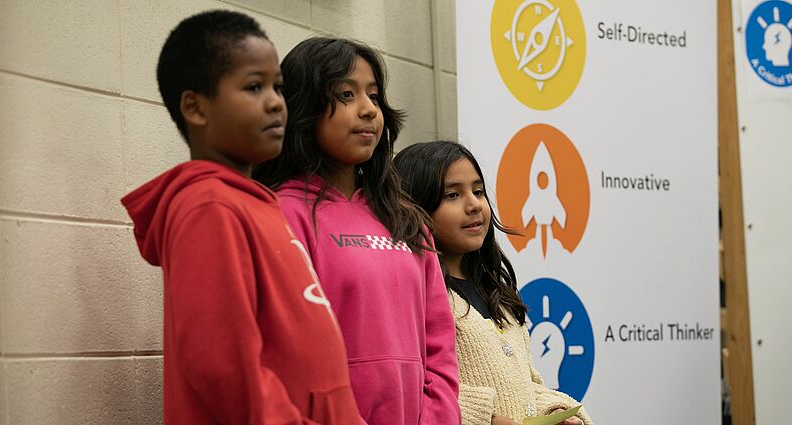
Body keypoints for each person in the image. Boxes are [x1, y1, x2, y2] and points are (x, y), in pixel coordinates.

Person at [121, 11, 362, 424]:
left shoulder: (257, 204)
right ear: (196, 108)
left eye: (278, 88)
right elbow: (222, 368)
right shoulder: (208, 207)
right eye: (254, 87)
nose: (275, 102)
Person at [253, 37, 460, 425]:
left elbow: (441, 348)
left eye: (374, 96)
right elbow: (287, 355)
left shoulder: (406, 221)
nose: (368, 110)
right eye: (346, 95)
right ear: (304, 109)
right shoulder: (280, 215)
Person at [394, 141, 593, 425]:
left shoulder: (495, 292)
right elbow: (411, 391)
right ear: (415, 207)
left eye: (477, 191)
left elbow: (528, 385)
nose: (474, 205)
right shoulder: (414, 296)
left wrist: (556, 414)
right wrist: (486, 419)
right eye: (452, 195)